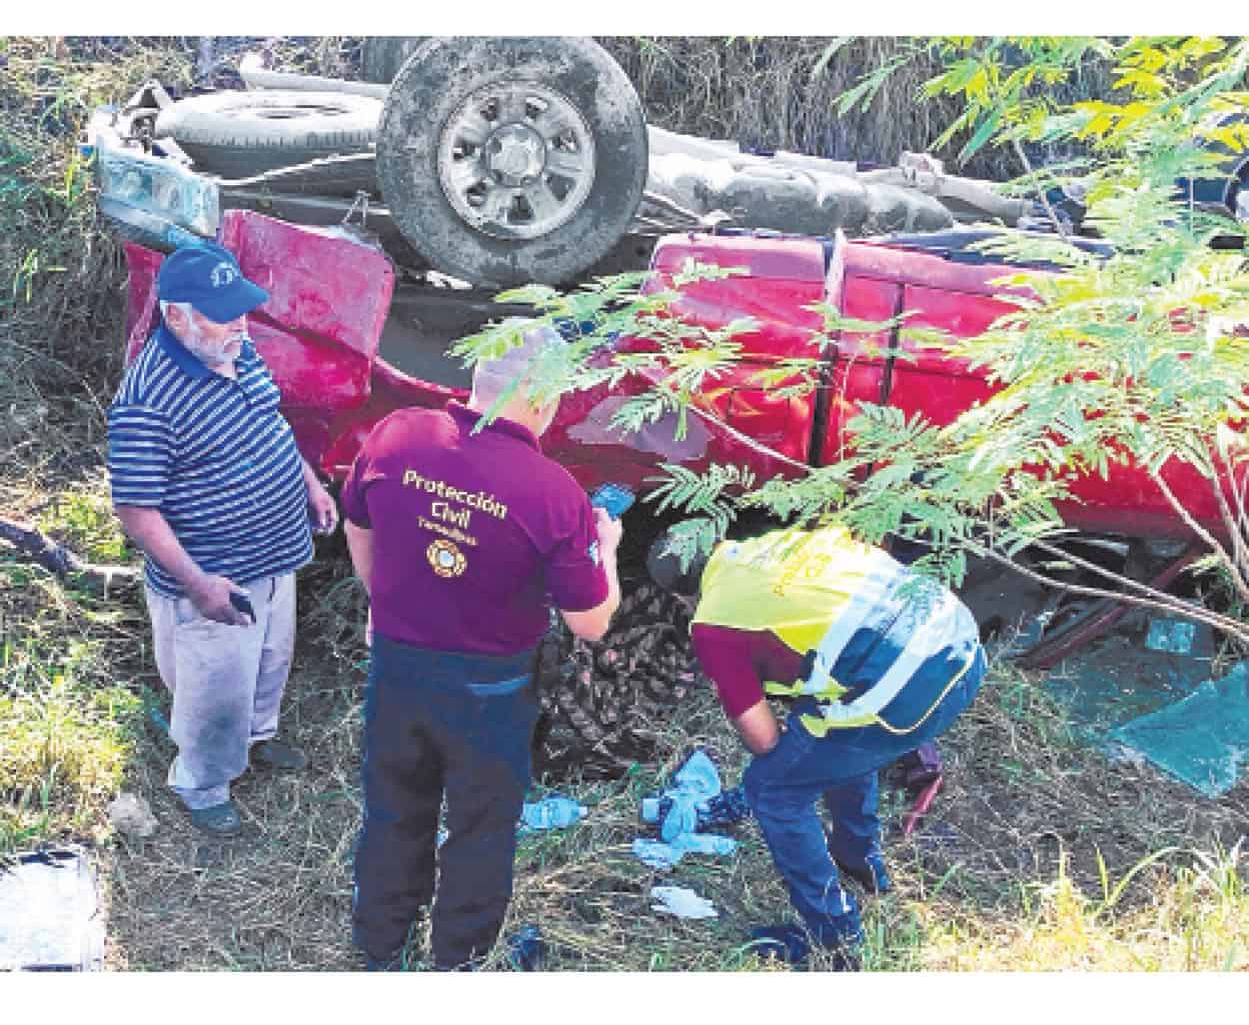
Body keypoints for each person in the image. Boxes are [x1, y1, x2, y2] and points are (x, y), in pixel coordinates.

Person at [341, 323, 622, 971]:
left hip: (397, 670)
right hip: (488, 691)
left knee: (392, 810)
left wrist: (385, 601)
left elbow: (357, 522)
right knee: (480, 827)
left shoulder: (398, 434)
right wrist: (604, 549)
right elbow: (590, 622)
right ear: (545, 397)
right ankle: (458, 960)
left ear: (476, 377)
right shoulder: (553, 493)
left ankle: (380, 945)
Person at [647, 523, 985, 969]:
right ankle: (859, 859)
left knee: (774, 789)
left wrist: (785, 748)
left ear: (682, 596)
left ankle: (834, 937)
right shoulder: (780, 541)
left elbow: (763, 738)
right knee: (837, 741)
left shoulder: (714, 623)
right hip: (960, 644)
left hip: (906, 688)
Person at [107, 240, 338, 838]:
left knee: (268, 659)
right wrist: (198, 583)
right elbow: (136, 509)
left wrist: (308, 483)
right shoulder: (147, 400)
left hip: (273, 555)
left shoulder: (236, 349)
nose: (239, 322)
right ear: (175, 314)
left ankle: (258, 735)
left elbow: (271, 420)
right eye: (220, 311)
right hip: (214, 576)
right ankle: (203, 783)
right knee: (214, 683)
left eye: (239, 307)